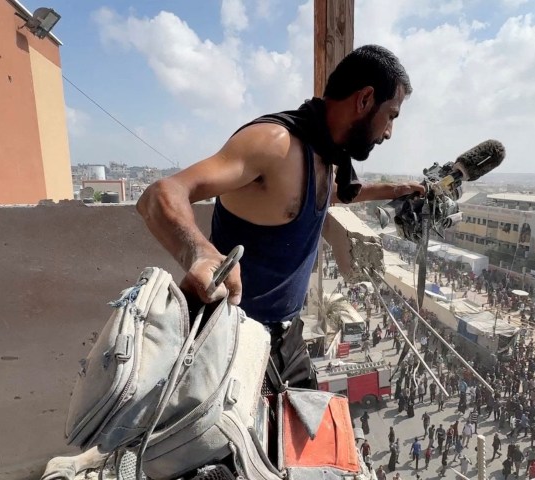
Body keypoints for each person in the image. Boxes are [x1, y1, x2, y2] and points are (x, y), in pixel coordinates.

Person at [137, 45, 420, 390]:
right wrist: (200, 252)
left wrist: (394, 189)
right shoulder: (274, 143)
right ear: (365, 99)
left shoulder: (327, 155)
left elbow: (314, 196)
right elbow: (160, 194)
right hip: (227, 342)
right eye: (391, 115)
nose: (389, 132)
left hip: (286, 337)